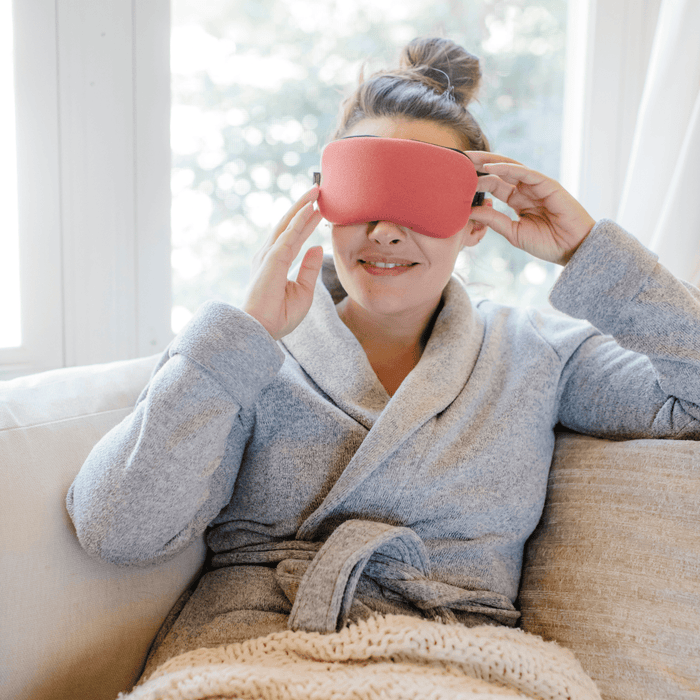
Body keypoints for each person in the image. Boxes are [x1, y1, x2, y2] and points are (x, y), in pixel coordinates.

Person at [66, 37, 700, 681]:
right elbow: (117, 533)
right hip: (257, 653)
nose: (387, 232)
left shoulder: (539, 352)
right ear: (324, 205)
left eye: (420, 201)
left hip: (458, 664)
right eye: (367, 196)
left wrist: (587, 250)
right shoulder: (245, 354)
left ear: (475, 220)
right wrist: (242, 337)